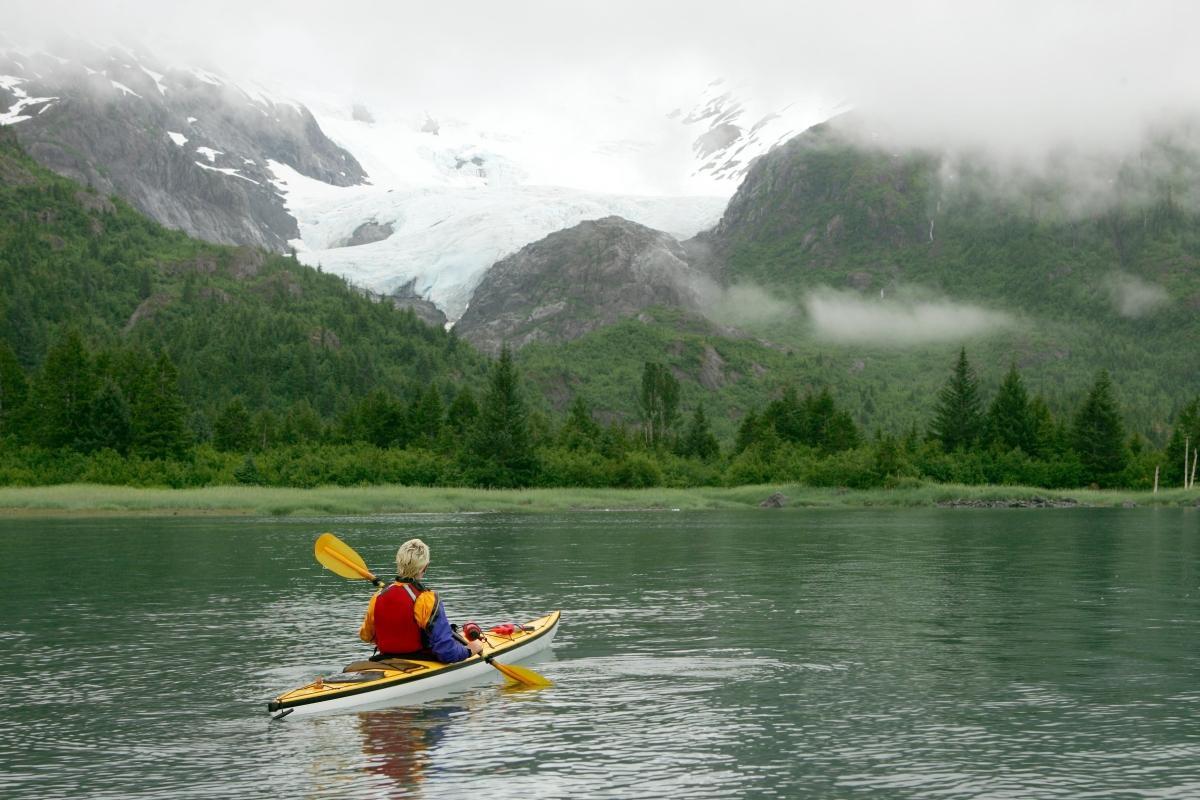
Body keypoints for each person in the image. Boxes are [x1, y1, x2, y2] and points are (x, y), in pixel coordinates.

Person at [358, 538, 484, 663]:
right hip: (420, 660)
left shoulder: (377, 597)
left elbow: (366, 636)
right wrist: (469, 650)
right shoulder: (426, 599)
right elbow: (447, 653)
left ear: (398, 563)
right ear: (425, 567)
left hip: (384, 660)